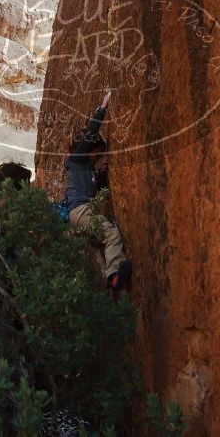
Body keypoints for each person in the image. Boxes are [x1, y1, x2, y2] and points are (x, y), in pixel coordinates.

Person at [65, 91, 132, 292]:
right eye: (98, 153)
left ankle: (105, 283)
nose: (99, 156)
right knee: (111, 234)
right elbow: (91, 134)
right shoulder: (75, 160)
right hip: (81, 212)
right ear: (90, 151)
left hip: (76, 216)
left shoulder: (85, 169)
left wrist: (101, 175)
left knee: (100, 242)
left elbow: (99, 188)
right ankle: (113, 276)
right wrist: (102, 108)